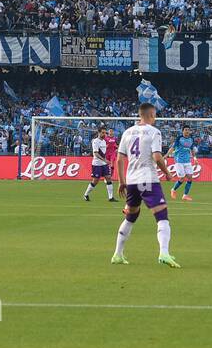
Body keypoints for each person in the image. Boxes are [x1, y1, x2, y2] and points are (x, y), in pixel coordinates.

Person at [111, 102, 180, 268]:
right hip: (147, 180)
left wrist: (121, 181)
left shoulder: (127, 132)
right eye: (154, 115)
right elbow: (157, 157)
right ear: (150, 115)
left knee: (131, 216)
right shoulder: (154, 132)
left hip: (132, 181)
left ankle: (117, 254)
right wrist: (168, 173)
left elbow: (119, 159)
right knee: (162, 217)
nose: (155, 118)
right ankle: (163, 252)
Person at [82, 126, 116, 202]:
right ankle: (86, 194)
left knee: (108, 178)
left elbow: (104, 152)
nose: (104, 134)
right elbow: (96, 153)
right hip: (97, 164)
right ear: (99, 133)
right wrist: (105, 160)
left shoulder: (104, 141)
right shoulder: (95, 141)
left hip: (104, 164)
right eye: (102, 133)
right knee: (95, 181)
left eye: (105, 133)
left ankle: (111, 197)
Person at [168, 124, 199, 201]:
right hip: (179, 161)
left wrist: (195, 158)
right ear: (182, 131)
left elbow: (192, 150)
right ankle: (173, 189)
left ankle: (185, 195)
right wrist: (166, 155)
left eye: (188, 130)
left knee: (190, 178)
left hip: (187, 161)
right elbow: (173, 148)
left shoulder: (191, 139)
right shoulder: (179, 138)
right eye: (185, 130)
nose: (187, 131)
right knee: (181, 178)